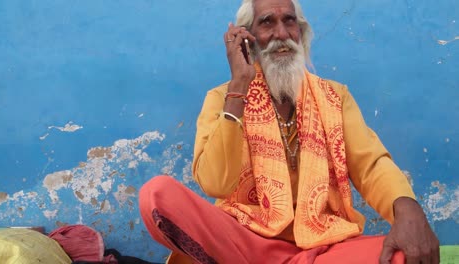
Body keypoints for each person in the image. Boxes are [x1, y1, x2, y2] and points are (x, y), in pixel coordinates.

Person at [139, 0, 440, 263]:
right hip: (245, 243)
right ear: (249, 38)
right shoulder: (223, 98)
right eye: (267, 22)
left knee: (400, 257)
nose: (281, 35)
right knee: (157, 193)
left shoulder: (335, 97)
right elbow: (215, 183)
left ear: (302, 33)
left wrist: (408, 211)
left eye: (289, 22)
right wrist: (238, 88)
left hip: (324, 246)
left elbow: (371, 164)